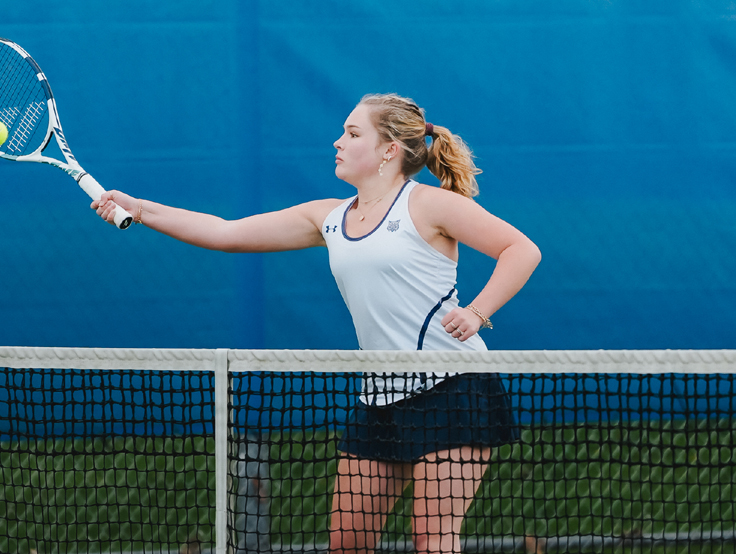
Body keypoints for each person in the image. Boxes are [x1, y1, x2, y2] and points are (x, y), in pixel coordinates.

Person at [92, 93, 541, 554]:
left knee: (432, 541)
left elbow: (521, 250)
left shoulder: (430, 205)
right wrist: (141, 208)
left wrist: (477, 312)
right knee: (346, 544)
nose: (337, 142)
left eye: (352, 133)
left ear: (389, 148)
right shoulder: (328, 217)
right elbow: (226, 232)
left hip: (454, 391)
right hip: (380, 399)